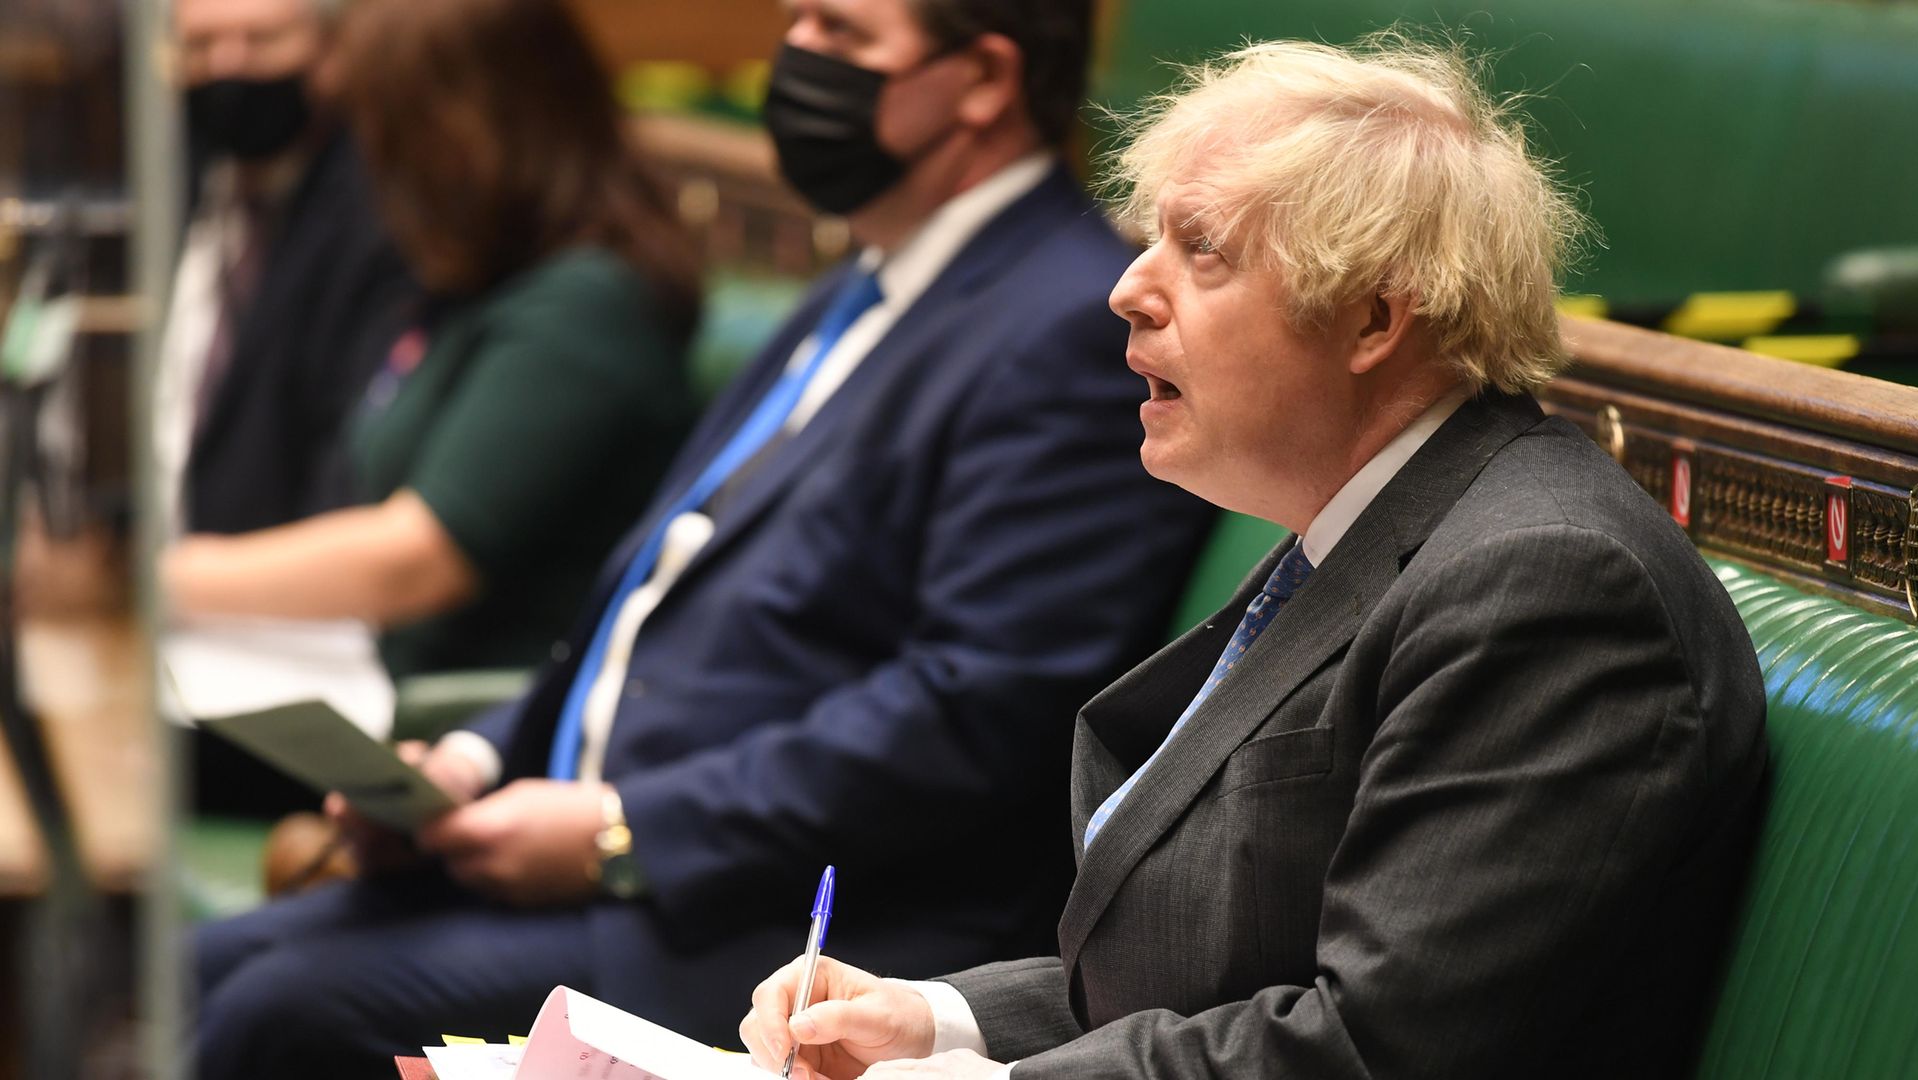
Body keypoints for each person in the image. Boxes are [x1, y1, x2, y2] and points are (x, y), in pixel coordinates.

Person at [189, 0, 1213, 1076]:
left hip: (788, 926)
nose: (795, 58)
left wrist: (621, 829)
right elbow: (645, 596)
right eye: (797, 23)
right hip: (616, 869)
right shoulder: (868, 282)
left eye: (841, 35)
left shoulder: (1064, 325)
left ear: (982, 81)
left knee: (280, 1011)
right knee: (194, 972)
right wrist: (475, 758)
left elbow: (973, 711)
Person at [738, 34, 1770, 1080]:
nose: (1127, 289)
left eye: (1203, 249)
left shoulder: (1545, 585)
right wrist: (932, 1023)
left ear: (1372, 314)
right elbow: (1206, 978)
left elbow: (1376, 1048)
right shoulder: (1373, 525)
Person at [161, 0, 703, 681]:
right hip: (366, 677)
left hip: (473, 728)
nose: (375, 166)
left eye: (392, 133)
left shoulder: (589, 306)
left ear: (475, 127)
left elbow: (416, 559)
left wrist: (163, 580)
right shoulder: (480, 280)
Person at [157, 0, 418, 539]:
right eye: (201, 46)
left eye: (262, 41)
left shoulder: (380, 218)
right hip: (180, 582)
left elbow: (350, 461)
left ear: (330, 53)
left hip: (293, 593)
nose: (228, 67)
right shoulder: (175, 186)